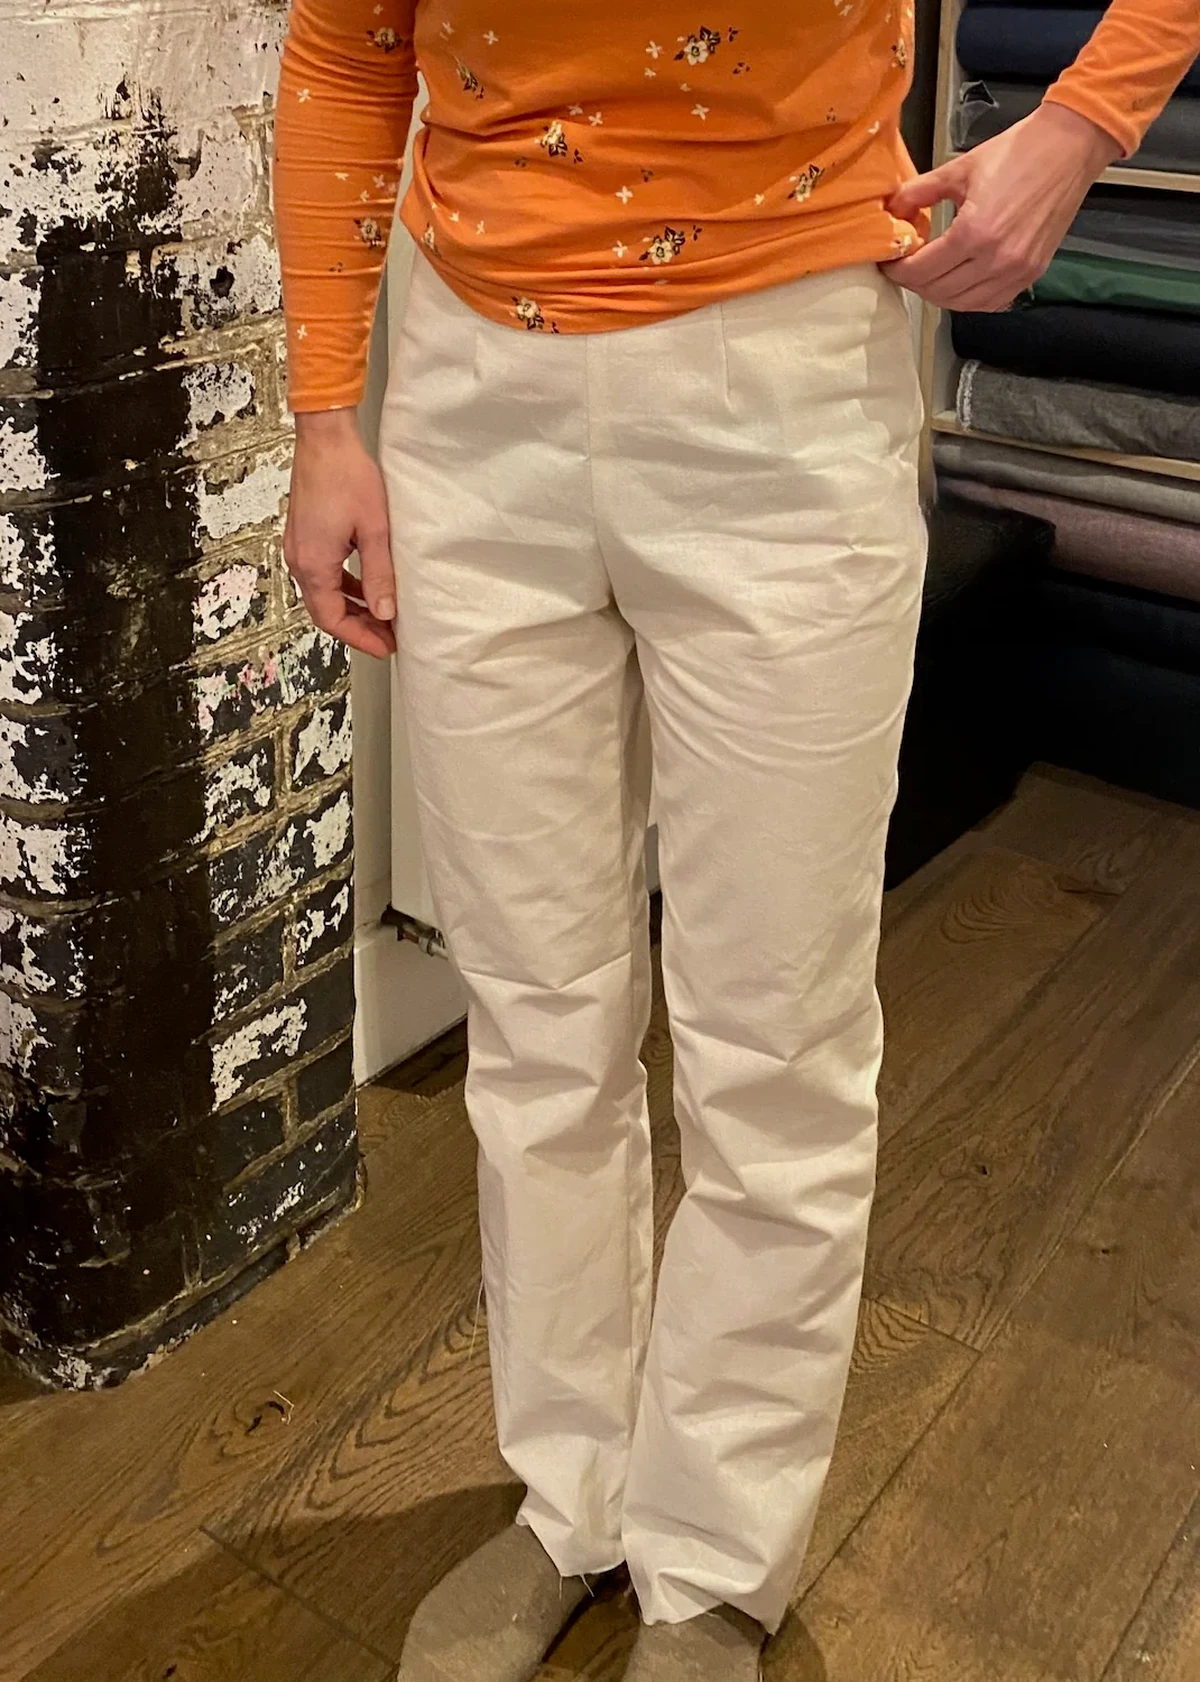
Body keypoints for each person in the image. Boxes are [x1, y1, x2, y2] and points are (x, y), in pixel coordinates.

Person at [273, 5, 1200, 1676]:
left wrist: (1082, 128)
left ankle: (711, 1557)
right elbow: (348, 47)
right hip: (472, 391)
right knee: (535, 1013)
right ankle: (569, 1492)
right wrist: (325, 414)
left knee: (775, 1037)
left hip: (785, 385)